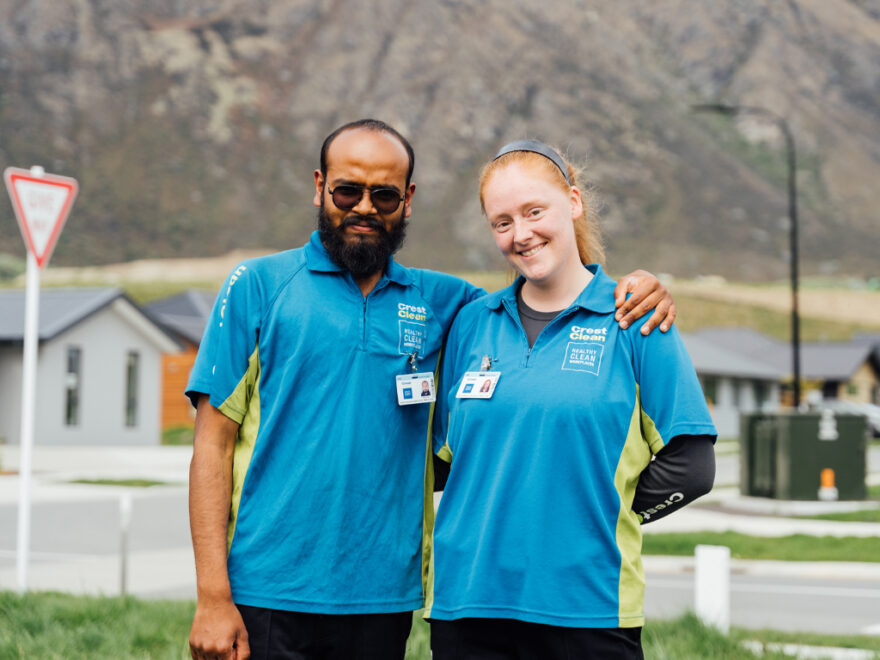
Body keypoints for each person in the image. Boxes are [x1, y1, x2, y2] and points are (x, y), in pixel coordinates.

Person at [186, 121, 678, 660]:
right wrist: (213, 596)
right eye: (347, 190)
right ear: (320, 186)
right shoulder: (257, 286)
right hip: (267, 594)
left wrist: (640, 287)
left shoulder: (451, 305)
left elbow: (543, 296)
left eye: (385, 194)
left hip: (386, 600)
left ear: (409, 199)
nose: (365, 208)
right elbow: (211, 445)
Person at [426, 140, 717, 659]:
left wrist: (597, 517)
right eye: (502, 222)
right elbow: (447, 463)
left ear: (574, 202)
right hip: (468, 606)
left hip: (587, 608)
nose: (521, 234)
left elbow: (691, 466)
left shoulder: (635, 318)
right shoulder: (472, 324)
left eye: (534, 211)